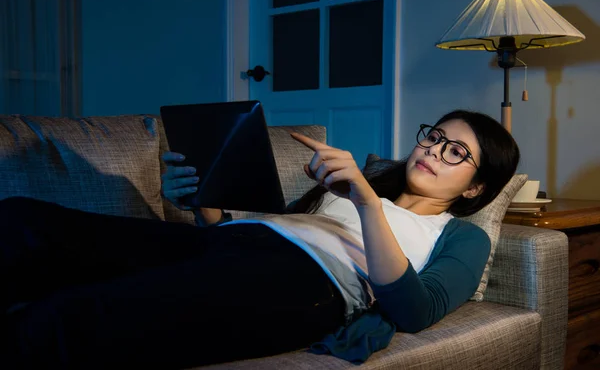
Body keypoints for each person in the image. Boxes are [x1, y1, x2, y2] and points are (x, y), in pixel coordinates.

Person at [1, 109, 519, 369]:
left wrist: (365, 201)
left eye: (457, 152)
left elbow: (413, 310)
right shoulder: (346, 191)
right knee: (24, 222)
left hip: (304, 283)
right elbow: (244, 234)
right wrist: (202, 199)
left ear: (475, 186)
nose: (434, 150)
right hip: (231, 246)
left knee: (77, 316)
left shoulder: (458, 236)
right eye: (434, 137)